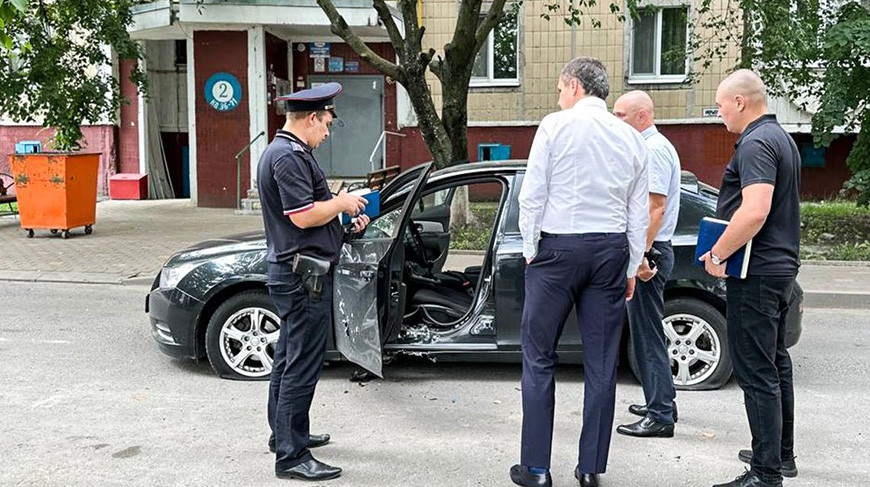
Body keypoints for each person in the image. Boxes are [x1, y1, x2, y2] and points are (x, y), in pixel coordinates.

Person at [510, 57, 649, 487]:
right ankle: (590, 469)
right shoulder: (631, 137)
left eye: (558, 87)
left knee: (538, 357)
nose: (558, 96)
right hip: (609, 249)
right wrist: (630, 263)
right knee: (603, 363)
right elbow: (637, 210)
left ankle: (536, 469)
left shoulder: (554, 125)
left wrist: (531, 248)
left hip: (557, 247)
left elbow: (533, 192)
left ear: (573, 86)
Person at [257, 82, 370, 481]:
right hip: (302, 278)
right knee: (301, 366)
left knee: (289, 359)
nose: (327, 132)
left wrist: (342, 220)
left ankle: (286, 435)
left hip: (298, 272)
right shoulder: (288, 157)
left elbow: (311, 217)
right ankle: (291, 457)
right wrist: (340, 202)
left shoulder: (289, 152)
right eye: (326, 124)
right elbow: (302, 216)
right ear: (311, 118)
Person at [700, 70, 801, 487]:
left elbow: (755, 210)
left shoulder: (757, 142)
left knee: (757, 372)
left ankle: (765, 474)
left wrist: (719, 252)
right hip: (779, 269)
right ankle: (779, 455)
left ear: (740, 101)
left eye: (721, 105)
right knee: (776, 364)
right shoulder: (781, 138)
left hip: (756, 272)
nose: (719, 112)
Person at [612, 90, 681, 438]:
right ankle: (663, 401)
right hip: (653, 250)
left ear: (642, 117)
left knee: (647, 336)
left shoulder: (652, 150)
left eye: (621, 115)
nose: (615, 120)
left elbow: (656, 208)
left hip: (650, 253)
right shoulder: (652, 147)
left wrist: (640, 256)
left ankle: (660, 417)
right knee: (648, 332)